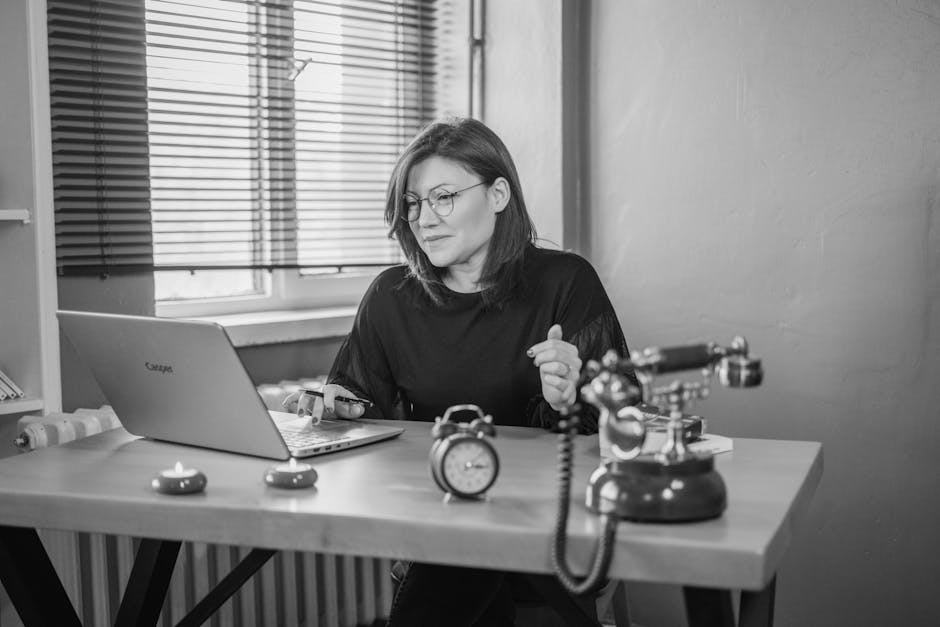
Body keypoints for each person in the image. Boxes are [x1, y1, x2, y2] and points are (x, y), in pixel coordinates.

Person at [316, 117, 635, 626]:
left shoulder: (565, 281)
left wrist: (576, 398)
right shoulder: (390, 296)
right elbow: (358, 407)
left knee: (470, 532)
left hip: (554, 533)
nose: (424, 218)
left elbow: (627, 426)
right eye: (414, 204)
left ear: (499, 194)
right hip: (435, 529)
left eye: (444, 196)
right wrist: (331, 409)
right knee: (465, 530)